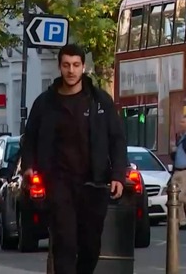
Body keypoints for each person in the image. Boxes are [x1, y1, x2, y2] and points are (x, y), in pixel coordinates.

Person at [20, 44, 128, 274]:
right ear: (60, 67)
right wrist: (29, 166)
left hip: (94, 183)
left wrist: (118, 174)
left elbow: (117, 139)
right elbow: (29, 139)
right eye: (66, 65)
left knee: (90, 245)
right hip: (58, 183)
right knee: (64, 243)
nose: (71, 70)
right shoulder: (45, 103)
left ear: (84, 67)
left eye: (76, 65)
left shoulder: (100, 101)